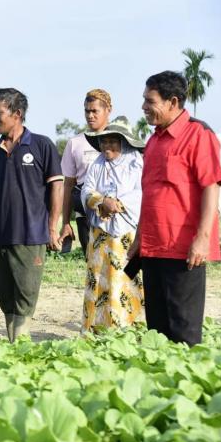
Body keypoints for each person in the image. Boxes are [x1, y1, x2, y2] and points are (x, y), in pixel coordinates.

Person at [127, 71, 221, 346]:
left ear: (172, 101)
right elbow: (150, 194)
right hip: (154, 248)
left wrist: (203, 238)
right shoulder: (154, 140)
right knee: (156, 331)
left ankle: (188, 386)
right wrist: (139, 238)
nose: (144, 107)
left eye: (150, 101)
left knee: (184, 330)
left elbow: (211, 186)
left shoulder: (198, 134)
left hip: (184, 250)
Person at [0, 88, 63, 342]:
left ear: (17, 114)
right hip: (3, 235)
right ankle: (14, 345)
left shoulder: (41, 145)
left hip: (32, 236)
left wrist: (52, 228)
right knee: (7, 298)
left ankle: (20, 347)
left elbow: (57, 187)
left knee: (25, 298)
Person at [81, 118, 145, 333]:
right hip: (100, 234)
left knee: (125, 280)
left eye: (112, 142)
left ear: (124, 143)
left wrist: (118, 203)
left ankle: (127, 330)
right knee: (99, 279)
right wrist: (101, 202)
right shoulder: (97, 164)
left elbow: (141, 192)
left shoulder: (136, 163)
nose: (106, 146)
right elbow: (86, 189)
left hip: (128, 234)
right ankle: (96, 330)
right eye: (103, 142)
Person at [58, 90, 107, 256]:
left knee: (116, 263)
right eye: (87, 111)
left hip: (114, 213)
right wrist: (65, 222)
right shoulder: (75, 143)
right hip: (85, 214)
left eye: (95, 111)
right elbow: (68, 185)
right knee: (92, 262)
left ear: (108, 109)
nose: (90, 115)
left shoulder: (121, 141)